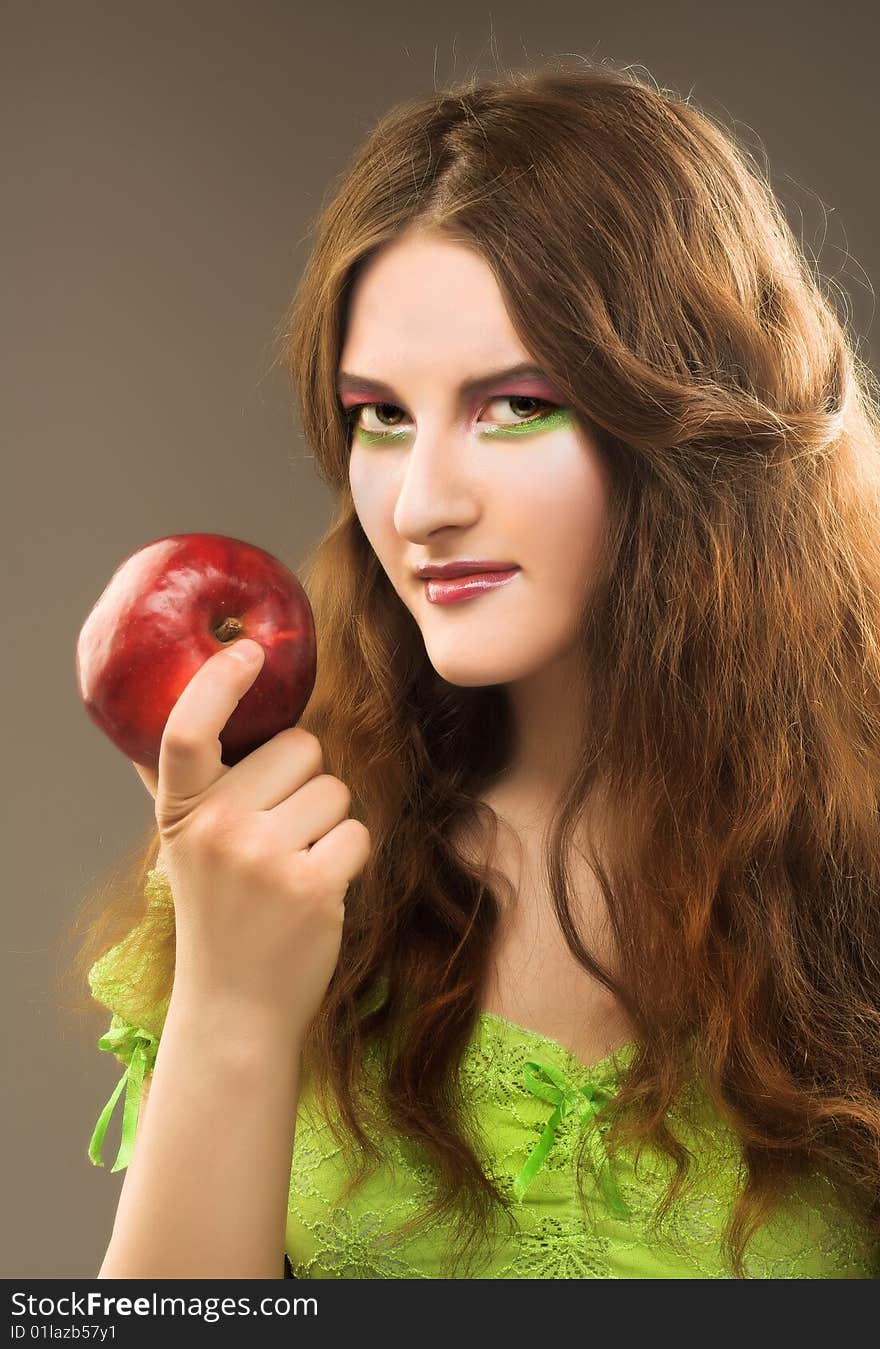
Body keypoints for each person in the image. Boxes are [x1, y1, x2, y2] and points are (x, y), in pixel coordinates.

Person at [71, 58, 880, 1279]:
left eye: (513, 404)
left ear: (690, 416)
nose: (423, 503)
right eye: (380, 416)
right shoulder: (276, 861)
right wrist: (231, 1007)